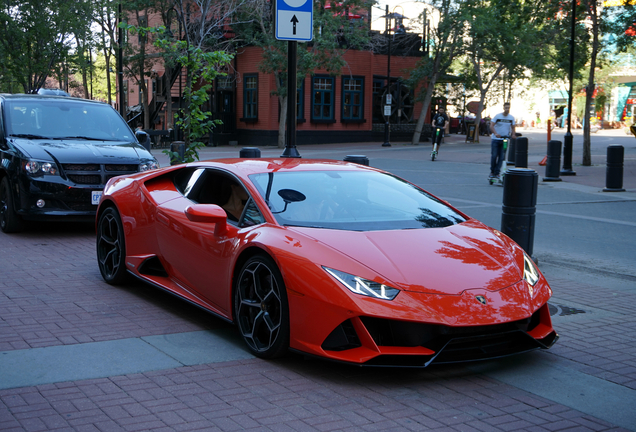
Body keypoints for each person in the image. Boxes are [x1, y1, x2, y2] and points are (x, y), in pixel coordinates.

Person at [489, 102, 516, 180]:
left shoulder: (511, 117)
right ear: (503, 108)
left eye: (508, 108)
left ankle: (497, 173)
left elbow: (513, 127)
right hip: (495, 139)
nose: (507, 109)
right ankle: (492, 171)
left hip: (505, 139)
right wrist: (495, 133)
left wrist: (513, 134)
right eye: (506, 107)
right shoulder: (498, 116)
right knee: (494, 156)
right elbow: (491, 125)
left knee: (502, 157)